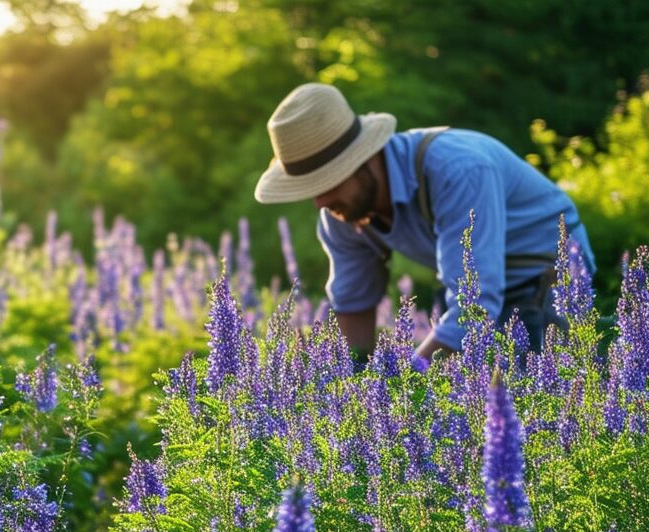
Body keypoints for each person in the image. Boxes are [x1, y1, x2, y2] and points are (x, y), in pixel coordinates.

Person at [253, 83, 595, 363]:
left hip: (548, 275)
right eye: (310, 188)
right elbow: (353, 306)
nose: (319, 202)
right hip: (474, 287)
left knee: (543, 397)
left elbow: (473, 310)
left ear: (363, 157)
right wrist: (349, 389)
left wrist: (406, 388)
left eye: (327, 182)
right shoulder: (342, 211)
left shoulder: (457, 170)